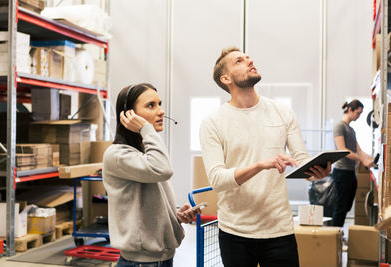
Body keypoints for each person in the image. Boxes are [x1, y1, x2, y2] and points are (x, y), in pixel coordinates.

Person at [199, 46, 331, 267]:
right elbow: (218, 180)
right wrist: (260, 165)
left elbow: (301, 159)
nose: (249, 61)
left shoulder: (282, 112)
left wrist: (317, 172)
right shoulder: (213, 122)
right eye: (239, 61)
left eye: (248, 57)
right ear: (226, 78)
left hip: (279, 230)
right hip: (235, 233)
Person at [103, 83, 199, 267]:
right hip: (142, 263)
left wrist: (175, 215)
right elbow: (163, 169)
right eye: (151, 105)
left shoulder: (143, 152)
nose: (161, 111)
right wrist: (146, 129)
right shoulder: (117, 155)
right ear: (129, 114)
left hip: (160, 259)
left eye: (159, 103)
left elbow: (146, 200)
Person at [331, 100, 374, 227]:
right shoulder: (340, 126)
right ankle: (335, 235)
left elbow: (358, 150)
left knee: (346, 206)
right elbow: (343, 150)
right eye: (358, 113)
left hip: (350, 173)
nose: (359, 116)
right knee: (341, 207)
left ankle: (338, 234)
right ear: (350, 110)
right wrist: (362, 160)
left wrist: (371, 159)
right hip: (341, 172)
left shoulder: (351, 130)